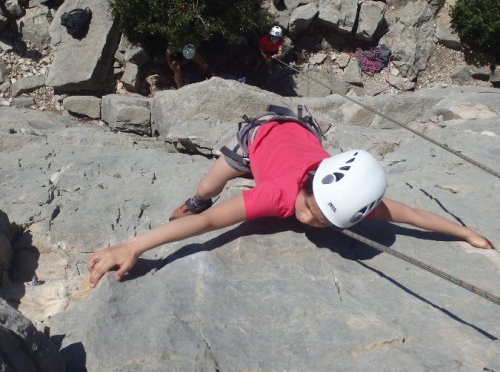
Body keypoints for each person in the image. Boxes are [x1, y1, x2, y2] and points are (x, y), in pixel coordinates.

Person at [87, 107, 494, 287]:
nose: (307, 220)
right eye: (307, 209)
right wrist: (135, 244)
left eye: (321, 222)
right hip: (260, 135)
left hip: (302, 135)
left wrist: (466, 233)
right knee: (211, 186)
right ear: (304, 187)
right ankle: (196, 195)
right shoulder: (276, 195)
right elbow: (209, 224)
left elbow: (414, 215)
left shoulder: (351, 203)